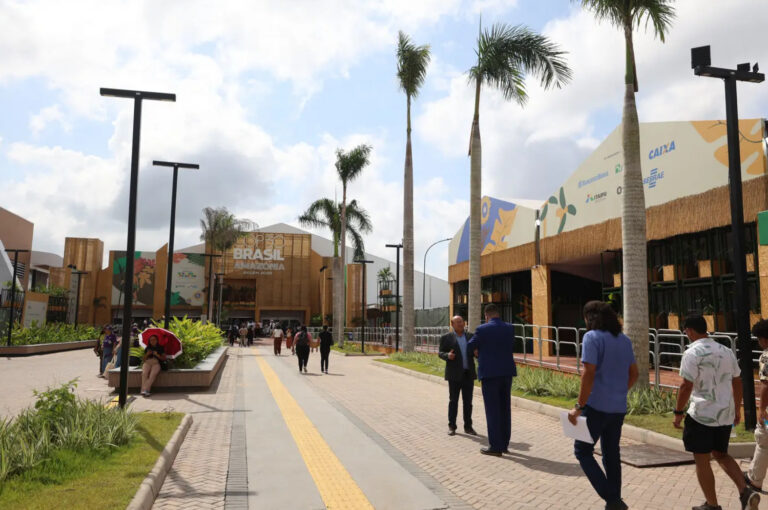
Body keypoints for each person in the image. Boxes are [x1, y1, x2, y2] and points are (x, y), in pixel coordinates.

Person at [673, 315, 760, 510]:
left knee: (702, 460)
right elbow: (737, 381)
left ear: (689, 331)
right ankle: (745, 491)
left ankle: (712, 504)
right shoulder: (726, 350)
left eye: (686, 331)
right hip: (724, 413)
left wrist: (678, 412)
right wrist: (736, 408)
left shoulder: (691, 353)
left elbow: (686, 386)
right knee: (721, 454)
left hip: (701, 414)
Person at [567, 301, 638, 510]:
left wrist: (578, 406)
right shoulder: (624, 340)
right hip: (618, 407)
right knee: (611, 454)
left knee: (582, 451)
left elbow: (588, 373)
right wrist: (619, 391)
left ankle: (613, 499)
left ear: (589, 318)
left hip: (595, 407)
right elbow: (634, 374)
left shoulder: (591, 337)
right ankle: (614, 501)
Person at [467, 304, 517, 456]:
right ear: (498, 314)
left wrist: (478, 351)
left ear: (486, 316)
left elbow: (470, 347)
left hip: (489, 374)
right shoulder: (509, 328)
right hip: (506, 373)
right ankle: (504, 444)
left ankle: (495, 446)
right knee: (505, 409)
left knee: (492, 411)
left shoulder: (482, 329)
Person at [438, 315, 477, 436]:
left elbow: (475, 352)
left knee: (468, 402)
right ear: (452, 324)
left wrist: (477, 353)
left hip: (468, 374)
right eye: (458, 322)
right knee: (453, 401)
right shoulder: (446, 338)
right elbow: (440, 352)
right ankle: (452, 426)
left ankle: (468, 427)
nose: (460, 324)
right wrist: (447, 356)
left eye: (462, 321)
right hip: (454, 375)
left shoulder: (470, 336)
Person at [745, 319, 768, 493]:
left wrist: (761, 410)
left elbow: (766, 385)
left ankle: (755, 479)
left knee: (763, 440)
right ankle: (754, 476)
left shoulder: (766, 356)